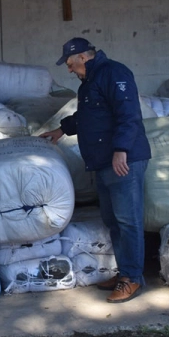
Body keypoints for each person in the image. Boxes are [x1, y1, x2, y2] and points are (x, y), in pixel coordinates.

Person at [40, 37, 151, 303]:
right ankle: (125, 272)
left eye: (70, 64)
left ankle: (132, 278)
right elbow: (89, 116)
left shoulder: (115, 73)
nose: (69, 70)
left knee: (128, 221)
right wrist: (61, 130)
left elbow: (128, 114)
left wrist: (121, 149)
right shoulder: (90, 81)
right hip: (104, 161)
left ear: (82, 57)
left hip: (123, 160)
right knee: (113, 221)